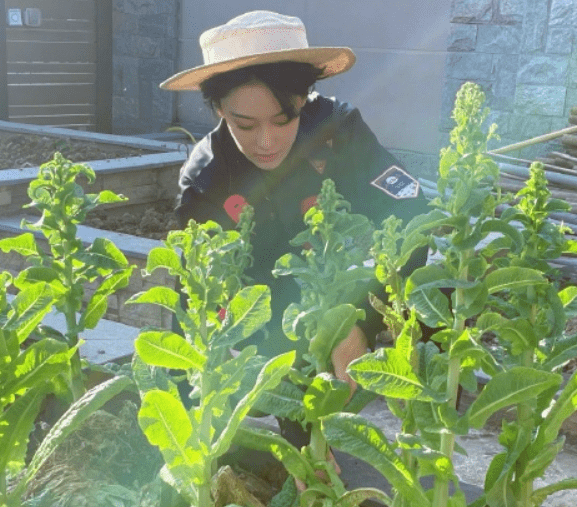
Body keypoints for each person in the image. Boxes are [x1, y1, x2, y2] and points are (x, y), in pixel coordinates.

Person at [160, 10, 428, 449]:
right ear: (218, 109)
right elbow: (204, 294)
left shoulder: (338, 133)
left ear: (305, 99)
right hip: (258, 317)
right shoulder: (207, 182)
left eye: (283, 120)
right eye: (244, 124)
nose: (266, 142)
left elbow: (414, 217)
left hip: (330, 288)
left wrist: (358, 319)